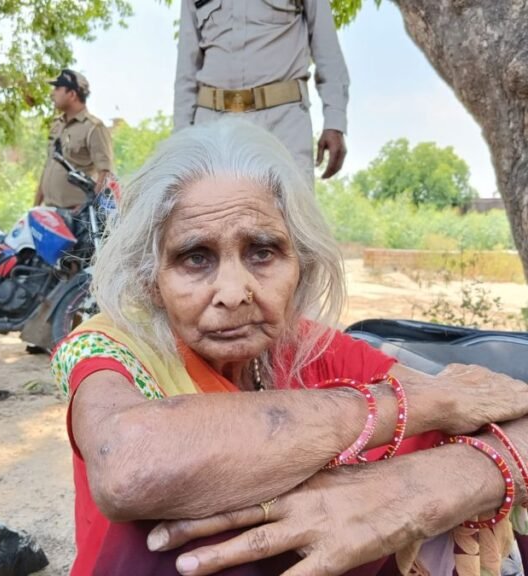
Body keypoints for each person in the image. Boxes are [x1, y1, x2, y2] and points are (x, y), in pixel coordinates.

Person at [52, 120, 528, 576]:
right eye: (196, 258)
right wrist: (423, 402)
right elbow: (129, 466)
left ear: (302, 264)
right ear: (150, 278)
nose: (234, 291)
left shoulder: (302, 347)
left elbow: (513, 417)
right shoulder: (108, 347)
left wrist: (405, 493)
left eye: (262, 252)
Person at [174, 0, 348, 180]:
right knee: (209, 205)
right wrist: (180, 139)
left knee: (289, 206)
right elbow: (186, 69)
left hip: (282, 124)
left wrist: (335, 123)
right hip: (211, 125)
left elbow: (328, 50)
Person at [36, 69, 115, 209]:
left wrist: (86, 209)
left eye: (58, 88)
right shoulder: (57, 125)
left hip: (75, 218)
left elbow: (105, 174)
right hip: (49, 212)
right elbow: (48, 166)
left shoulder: (94, 128)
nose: (52, 93)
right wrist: (35, 206)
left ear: (72, 94)